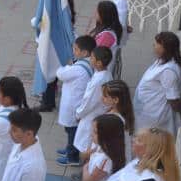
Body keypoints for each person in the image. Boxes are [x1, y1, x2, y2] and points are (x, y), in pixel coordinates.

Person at [60, 46, 113, 166]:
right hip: (94, 113)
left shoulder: (99, 80)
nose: (90, 59)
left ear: (99, 63)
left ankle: (84, 168)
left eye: (92, 58)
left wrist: (79, 113)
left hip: (91, 115)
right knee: (87, 142)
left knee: (87, 145)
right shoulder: (103, 73)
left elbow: (89, 101)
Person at [0, 108, 47, 181]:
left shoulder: (33, 168)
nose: (9, 132)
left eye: (14, 130)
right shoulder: (22, 142)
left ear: (29, 134)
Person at [56, 35, 97, 166]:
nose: (73, 51)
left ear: (84, 52)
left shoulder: (78, 68)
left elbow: (61, 74)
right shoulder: (87, 64)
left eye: (75, 49)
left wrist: (63, 67)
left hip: (73, 105)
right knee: (71, 131)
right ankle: (69, 149)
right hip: (76, 103)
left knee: (72, 132)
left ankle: (72, 156)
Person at [133, 32, 181, 135]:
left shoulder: (169, 71)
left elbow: (173, 99)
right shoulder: (161, 61)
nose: (154, 45)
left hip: (156, 118)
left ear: (165, 47)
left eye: (156, 43)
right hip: (145, 114)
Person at [101, 80, 136, 161]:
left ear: (116, 100)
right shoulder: (123, 114)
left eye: (105, 96)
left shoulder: (113, 121)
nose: (102, 98)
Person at [90, 1, 123, 76]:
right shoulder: (106, 26)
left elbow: (96, 54)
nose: (95, 13)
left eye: (97, 12)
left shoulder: (106, 36)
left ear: (104, 15)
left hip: (99, 70)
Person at [110, 0, 131, 79]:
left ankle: (111, 81)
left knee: (111, 63)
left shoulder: (121, 2)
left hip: (115, 38)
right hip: (114, 36)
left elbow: (121, 23)